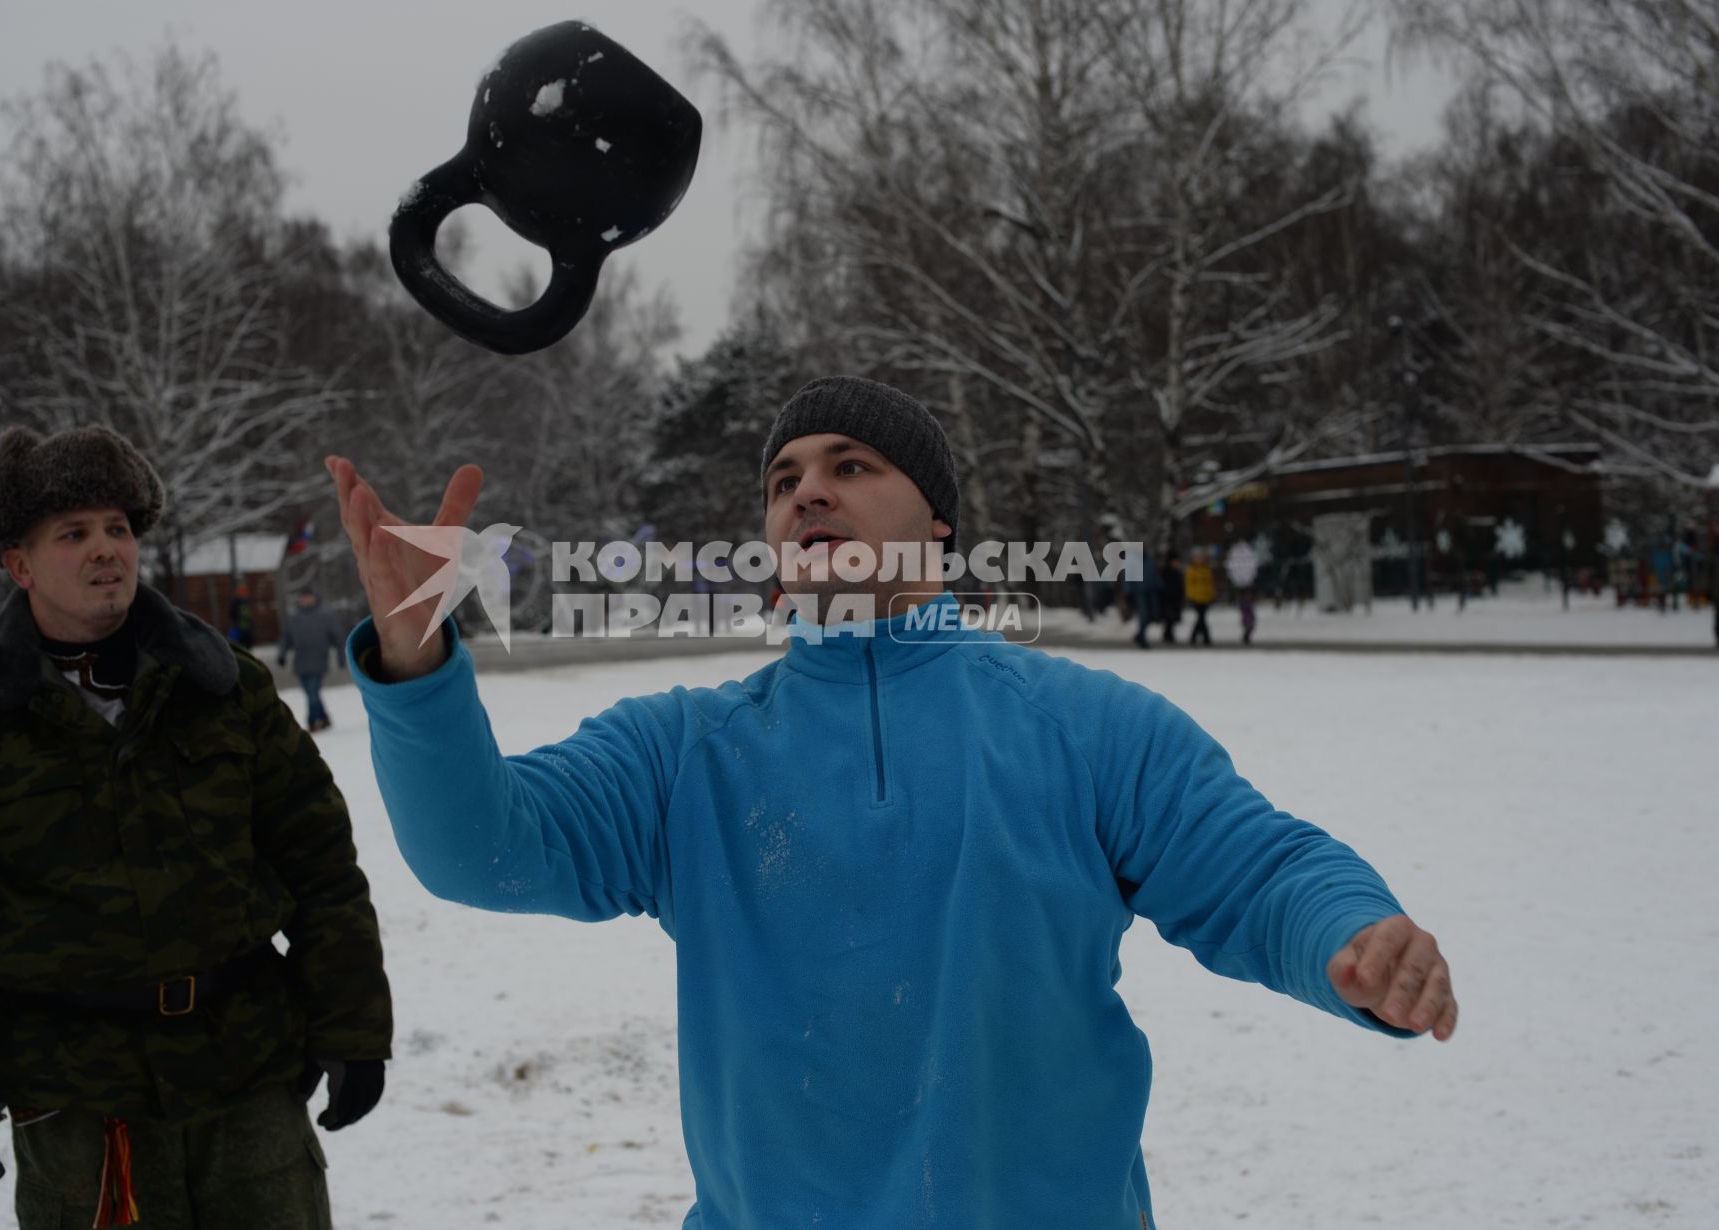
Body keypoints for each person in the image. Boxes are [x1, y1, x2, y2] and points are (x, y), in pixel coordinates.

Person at [328, 374, 1458, 1229]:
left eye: (852, 465)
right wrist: (417, 673)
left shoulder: (1083, 728)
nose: (807, 488)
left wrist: (1351, 937)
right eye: (783, 481)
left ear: (939, 526)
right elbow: (483, 849)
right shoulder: (686, 754)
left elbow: (1259, 867)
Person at [0, 424, 392, 1228]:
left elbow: (321, 866)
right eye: (73, 534)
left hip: (246, 1079)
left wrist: (352, 1022)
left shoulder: (223, 689)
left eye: (117, 529)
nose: (107, 549)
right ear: (20, 564)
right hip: (76, 1112)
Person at [276, 589, 344, 733]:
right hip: (301, 662)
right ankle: (324, 718)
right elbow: (286, 638)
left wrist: (341, 657)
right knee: (310, 693)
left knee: (313, 692)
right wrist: (282, 655)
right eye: (303, 598)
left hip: (318, 661)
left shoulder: (325, 617)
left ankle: (312, 721)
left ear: (314, 598)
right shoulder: (295, 618)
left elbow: (338, 638)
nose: (306, 600)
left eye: (308, 598)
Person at [1185, 548, 1217, 646]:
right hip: (1196, 598)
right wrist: (1190, 596)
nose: (1200, 559)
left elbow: (1210, 584)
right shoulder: (1191, 570)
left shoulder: (1207, 570)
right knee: (1201, 618)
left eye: (1201, 557)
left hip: (1206, 598)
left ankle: (1196, 637)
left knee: (1201, 618)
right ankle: (1204, 638)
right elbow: (1189, 585)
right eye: (1198, 557)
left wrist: (1212, 595)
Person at [1158, 551, 1185, 644]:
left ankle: (1169, 635)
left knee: (1172, 619)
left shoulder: (1178, 573)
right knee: (1169, 618)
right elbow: (1162, 586)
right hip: (1167, 599)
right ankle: (1168, 636)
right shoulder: (1165, 572)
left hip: (1175, 599)